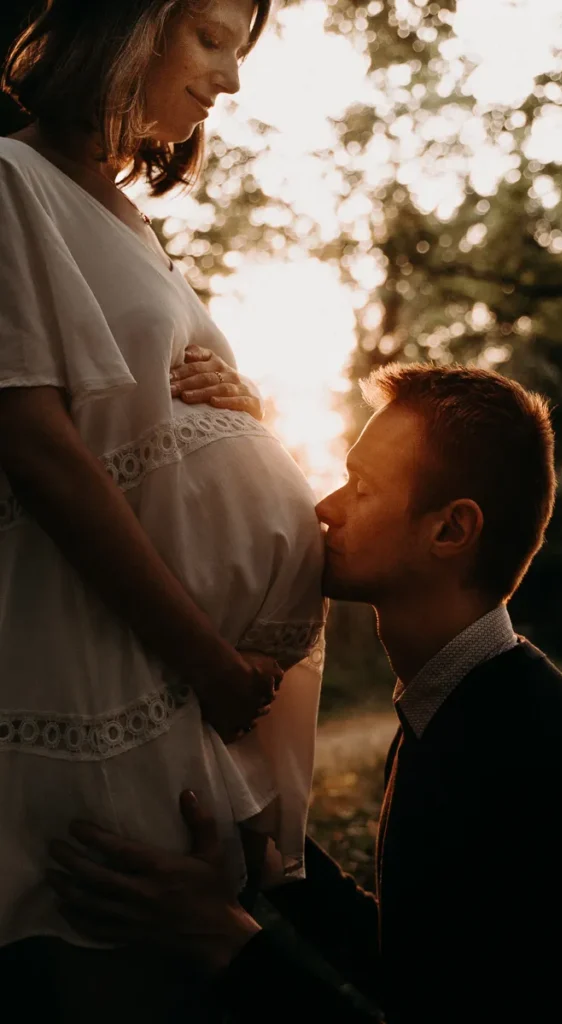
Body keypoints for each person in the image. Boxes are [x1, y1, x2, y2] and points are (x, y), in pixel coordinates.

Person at [49, 363, 562, 1023]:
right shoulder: (469, 700)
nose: (325, 507)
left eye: (361, 486)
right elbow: (422, 965)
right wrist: (268, 849)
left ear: (450, 531)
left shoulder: (527, 748)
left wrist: (215, 931)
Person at [0, 2, 325, 1020]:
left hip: (178, 697)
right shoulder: (13, 182)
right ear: (127, 22)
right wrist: (206, 660)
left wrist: (252, 410)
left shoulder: (128, 217)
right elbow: (36, 445)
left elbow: (152, 414)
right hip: (102, 677)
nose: (227, 81)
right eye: (213, 37)